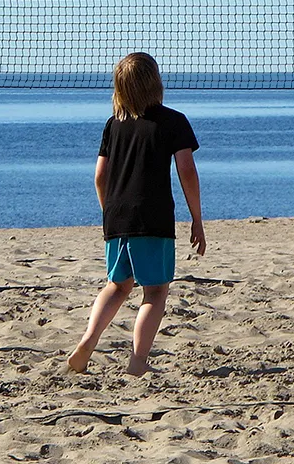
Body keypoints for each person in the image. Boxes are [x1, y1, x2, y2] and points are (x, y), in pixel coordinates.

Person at [68, 52, 205, 375]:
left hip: (116, 215)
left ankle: (87, 342)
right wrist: (197, 218)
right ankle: (138, 361)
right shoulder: (173, 121)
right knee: (155, 291)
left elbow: (100, 176)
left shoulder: (114, 124)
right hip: (152, 216)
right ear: (155, 82)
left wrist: (108, 212)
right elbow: (186, 169)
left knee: (117, 285)